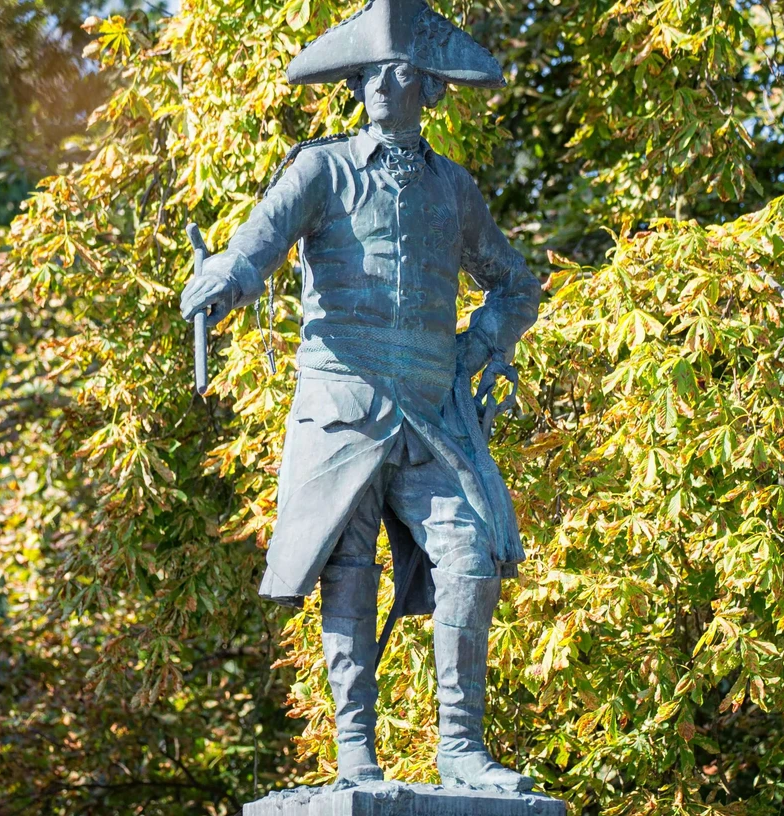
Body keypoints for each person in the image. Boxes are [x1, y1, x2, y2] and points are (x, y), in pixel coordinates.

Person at [179, 0, 540, 792]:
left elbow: (517, 284)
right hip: (344, 408)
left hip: (432, 414)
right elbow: (255, 249)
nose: (381, 85)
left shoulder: (456, 191)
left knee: (470, 561)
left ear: (428, 90)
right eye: (369, 73)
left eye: (399, 71)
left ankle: (462, 749)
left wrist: (478, 345)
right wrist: (222, 283)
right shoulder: (322, 169)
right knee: (349, 572)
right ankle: (354, 753)